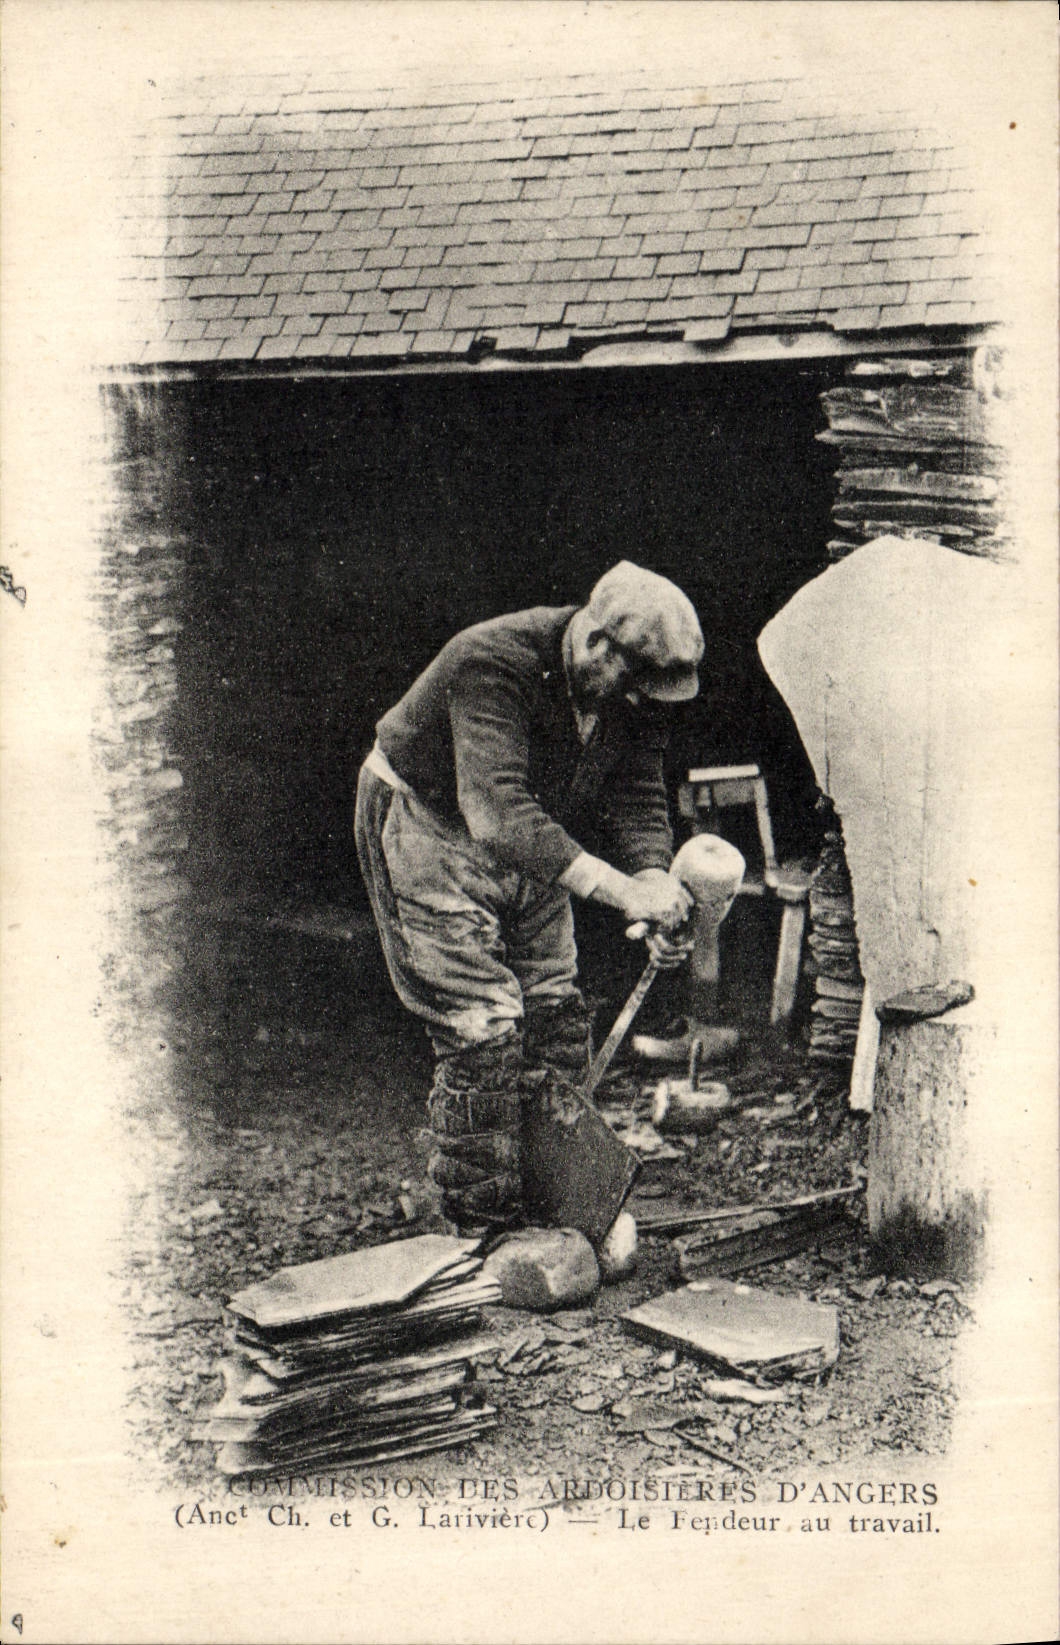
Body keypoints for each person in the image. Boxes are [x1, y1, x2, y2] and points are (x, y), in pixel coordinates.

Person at [355, 561, 710, 1232]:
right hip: (429, 823)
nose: (638, 706)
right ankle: (482, 1219)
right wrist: (621, 890)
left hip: (535, 833)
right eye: (633, 688)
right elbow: (495, 812)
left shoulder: (627, 691)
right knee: (481, 1026)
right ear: (598, 643)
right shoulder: (491, 661)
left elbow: (636, 788)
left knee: (554, 1014)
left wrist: (656, 878)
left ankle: (546, 1195)